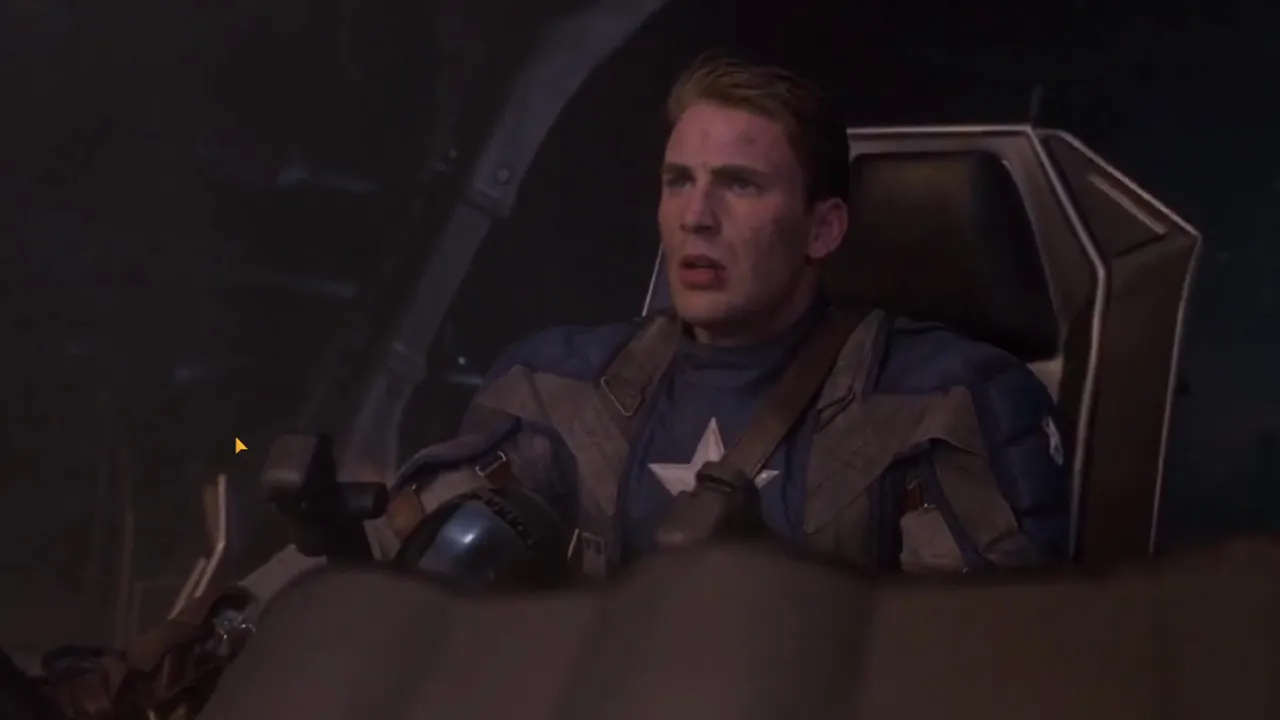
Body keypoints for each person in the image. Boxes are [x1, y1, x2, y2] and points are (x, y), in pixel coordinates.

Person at [41, 52, 1070, 718]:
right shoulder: (565, 387)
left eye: (740, 185)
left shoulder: (940, 404)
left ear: (824, 227)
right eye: (678, 181)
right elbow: (402, 542)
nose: (695, 216)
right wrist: (167, 669)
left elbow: (972, 672)